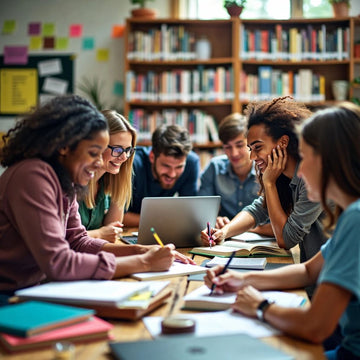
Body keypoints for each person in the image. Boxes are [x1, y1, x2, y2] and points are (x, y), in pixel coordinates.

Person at [0, 95, 192, 305]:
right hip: (10, 296)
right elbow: (59, 263)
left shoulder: (65, 180)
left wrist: (140, 249)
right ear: (64, 147)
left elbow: (78, 241)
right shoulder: (33, 175)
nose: (100, 162)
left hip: (36, 291)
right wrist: (143, 262)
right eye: (93, 153)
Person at [204, 102, 360, 360]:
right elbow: (309, 270)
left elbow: (315, 326)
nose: (302, 170)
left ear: (329, 161)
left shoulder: (355, 218)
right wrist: (239, 279)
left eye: (307, 157)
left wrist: (260, 306)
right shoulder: (351, 215)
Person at [201, 97, 327, 265]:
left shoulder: (313, 177)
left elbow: (285, 240)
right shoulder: (285, 176)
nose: (252, 157)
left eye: (258, 147)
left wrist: (269, 183)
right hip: (317, 272)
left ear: (283, 142)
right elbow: (257, 211)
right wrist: (224, 232)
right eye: (250, 149)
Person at [198, 113, 271, 232]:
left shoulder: (267, 169)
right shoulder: (214, 168)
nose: (234, 153)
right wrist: (215, 219)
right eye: (227, 147)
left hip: (263, 241)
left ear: (250, 143)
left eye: (239, 145)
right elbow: (201, 213)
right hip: (224, 240)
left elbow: (279, 226)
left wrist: (240, 228)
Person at [123, 124, 200, 227]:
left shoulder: (191, 163)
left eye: (179, 167)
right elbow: (119, 217)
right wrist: (163, 221)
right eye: (166, 166)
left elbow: (189, 211)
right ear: (152, 157)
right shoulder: (132, 164)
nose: (172, 174)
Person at [78, 110, 136, 242]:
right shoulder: (73, 181)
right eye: (117, 149)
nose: (124, 157)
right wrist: (99, 233)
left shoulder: (107, 181)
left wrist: (120, 185)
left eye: (128, 150)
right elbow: (62, 237)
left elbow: (111, 233)